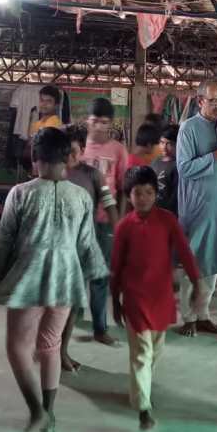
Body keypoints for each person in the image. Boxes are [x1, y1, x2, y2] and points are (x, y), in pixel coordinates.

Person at [0, 128, 107, 432]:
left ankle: (36, 411)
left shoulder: (21, 193)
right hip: (66, 280)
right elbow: (87, 245)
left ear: (35, 158)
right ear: (67, 158)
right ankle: (49, 410)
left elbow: (4, 240)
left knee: (17, 347)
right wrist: (97, 273)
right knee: (51, 344)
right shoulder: (80, 197)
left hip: (29, 279)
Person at [110, 166, 201, 430]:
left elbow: (184, 251)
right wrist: (115, 299)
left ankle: (141, 388)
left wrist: (197, 282)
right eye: (138, 193)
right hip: (135, 299)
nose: (143, 198)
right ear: (129, 195)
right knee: (142, 353)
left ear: (156, 193)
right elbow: (116, 266)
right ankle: (143, 408)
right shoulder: (124, 227)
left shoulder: (168, 220)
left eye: (149, 192)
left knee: (153, 352)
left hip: (161, 298)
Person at [177, 79, 217, 337]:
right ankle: (188, 317)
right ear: (199, 100)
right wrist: (216, 155)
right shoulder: (188, 129)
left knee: (213, 264)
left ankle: (203, 315)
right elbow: (184, 168)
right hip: (198, 206)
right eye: (212, 100)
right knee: (194, 264)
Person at [62, 126, 120, 372]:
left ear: (83, 150)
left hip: (86, 244)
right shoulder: (54, 172)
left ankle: (65, 349)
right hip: (58, 246)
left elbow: (109, 204)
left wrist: (119, 233)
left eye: (74, 151)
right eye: (65, 151)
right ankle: (54, 350)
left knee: (77, 299)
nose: (69, 156)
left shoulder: (93, 175)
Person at [80, 97, 129, 346]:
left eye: (104, 122)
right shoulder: (78, 147)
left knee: (100, 276)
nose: (99, 126)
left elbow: (123, 189)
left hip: (104, 222)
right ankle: (70, 320)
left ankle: (100, 328)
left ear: (111, 124)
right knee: (76, 274)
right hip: (77, 223)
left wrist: (118, 223)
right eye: (95, 121)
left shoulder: (118, 150)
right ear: (87, 121)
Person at [151, 124, 179, 216]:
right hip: (153, 211)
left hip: (169, 214)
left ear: (177, 144)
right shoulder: (155, 162)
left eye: (169, 143)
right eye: (162, 142)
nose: (164, 147)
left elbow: (175, 197)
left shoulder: (177, 166)